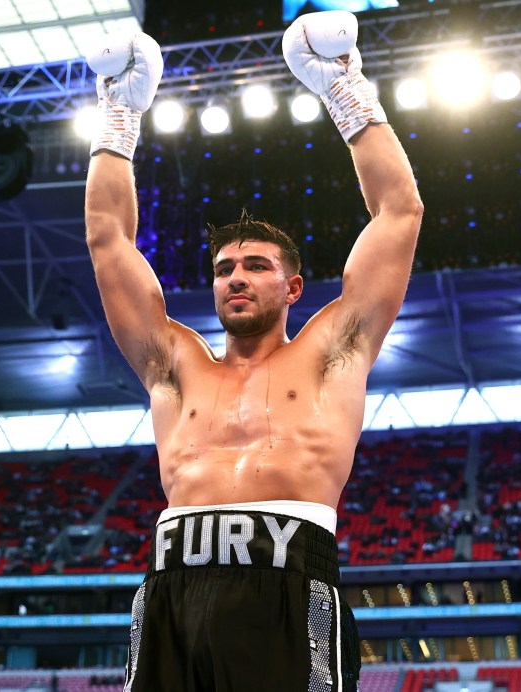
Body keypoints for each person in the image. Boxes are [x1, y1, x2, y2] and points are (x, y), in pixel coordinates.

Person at [84, 10, 423, 692]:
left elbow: (399, 212)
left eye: (256, 266)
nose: (235, 276)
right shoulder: (173, 365)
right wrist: (118, 117)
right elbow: (107, 239)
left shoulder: (333, 352)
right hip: (173, 595)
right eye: (224, 268)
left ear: (293, 285)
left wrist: (344, 89)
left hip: (287, 592)